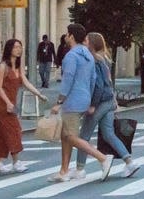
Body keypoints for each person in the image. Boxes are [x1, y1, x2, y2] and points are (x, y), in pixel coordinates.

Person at [49, 24, 114, 183]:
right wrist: (89, 98)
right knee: (66, 135)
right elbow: (93, 80)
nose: (65, 36)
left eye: (67, 33)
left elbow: (68, 80)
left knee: (70, 136)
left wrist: (59, 101)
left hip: (72, 100)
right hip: (84, 98)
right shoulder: (87, 55)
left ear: (71, 36)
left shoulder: (71, 56)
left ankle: (102, 158)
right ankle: (64, 171)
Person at [73, 33, 140, 179]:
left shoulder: (94, 60)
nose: (84, 43)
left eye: (86, 40)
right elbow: (108, 82)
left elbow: (97, 85)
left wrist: (92, 105)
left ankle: (80, 169)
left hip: (99, 103)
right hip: (108, 101)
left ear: (91, 44)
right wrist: (114, 98)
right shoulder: (104, 59)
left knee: (83, 137)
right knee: (109, 134)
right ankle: (129, 162)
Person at [0, 39, 47, 173]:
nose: (19, 49)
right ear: (9, 49)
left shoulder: (18, 66)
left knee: (3, 134)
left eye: (20, 47)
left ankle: (0, 162)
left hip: (11, 104)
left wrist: (39, 94)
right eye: (16, 47)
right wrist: (7, 102)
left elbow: (26, 83)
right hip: (2, 105)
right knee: (15, 130)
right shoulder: (3, 66)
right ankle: (16, 162)